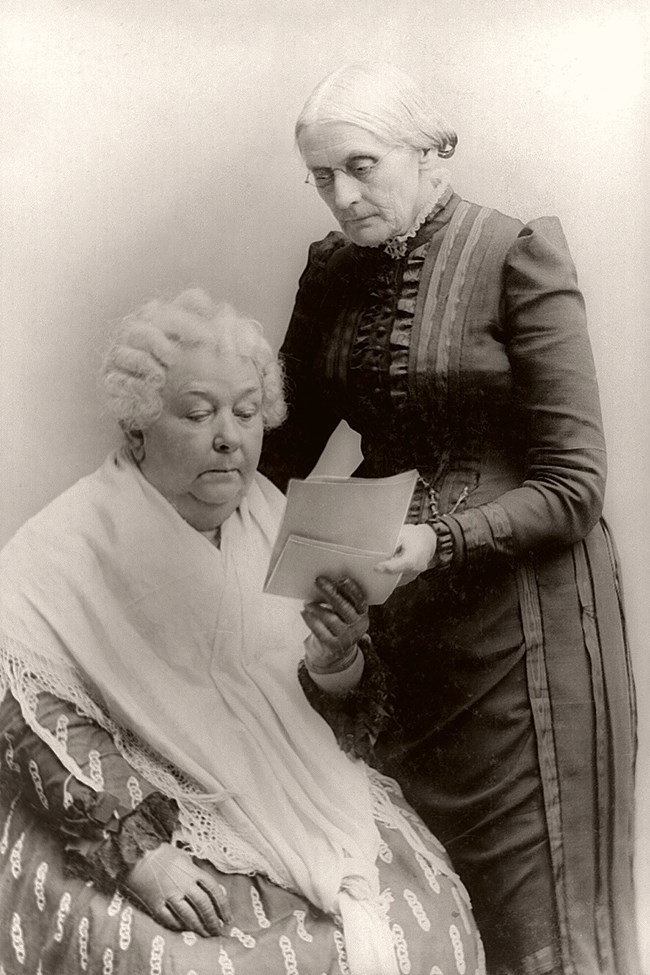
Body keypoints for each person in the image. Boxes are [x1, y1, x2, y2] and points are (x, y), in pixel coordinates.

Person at [259, 62, 640, 975]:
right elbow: (281, 448)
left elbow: (574, 483)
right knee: (416, 922)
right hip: (395, 630)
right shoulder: (332, 272)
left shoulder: (517, 253)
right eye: (320, 176)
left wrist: (442, 539)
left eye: (360, 166)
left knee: (533, 931)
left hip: (526, 645)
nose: (341, 197)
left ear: (436, 153)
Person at [0, 289, 485, 975]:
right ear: (137, 429)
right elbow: (27, 716)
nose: (230, 436)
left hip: (297, 785)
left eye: (248, 412)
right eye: (198, 413)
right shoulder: (62, 546)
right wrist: (142, 855)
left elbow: (338, 713)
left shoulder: (273, 518)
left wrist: (335, 656)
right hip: (137, 807)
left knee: (428, 922)